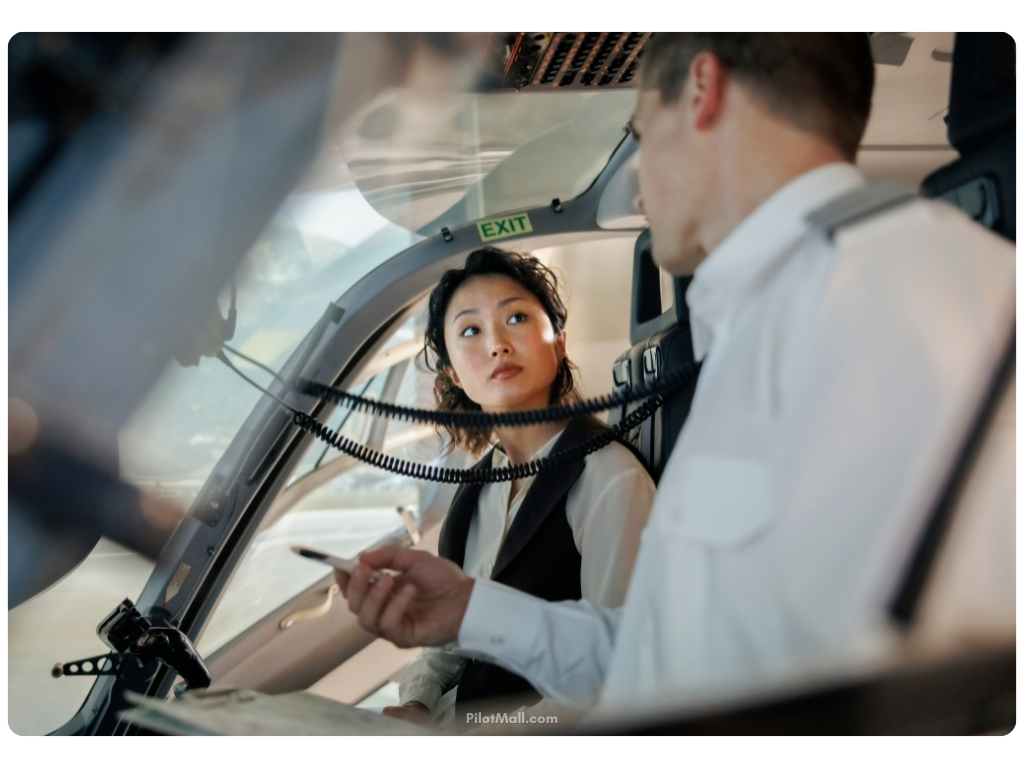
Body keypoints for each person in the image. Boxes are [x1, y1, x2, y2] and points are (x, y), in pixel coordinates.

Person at [336, 32, 1017, 717]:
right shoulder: (773, 317)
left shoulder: (877, 312)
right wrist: (467, 610)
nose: (636, 177)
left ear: (702, 90)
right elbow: (672, 657)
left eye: (643, 131)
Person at [384, 248, 655, 725]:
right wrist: (416, 703)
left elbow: (613, 677)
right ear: (453, 374)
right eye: (470, 329)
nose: (497, 344)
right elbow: (451, 638)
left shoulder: (608, 477)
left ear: (559, 343)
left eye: (516, 317)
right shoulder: (476, 488)